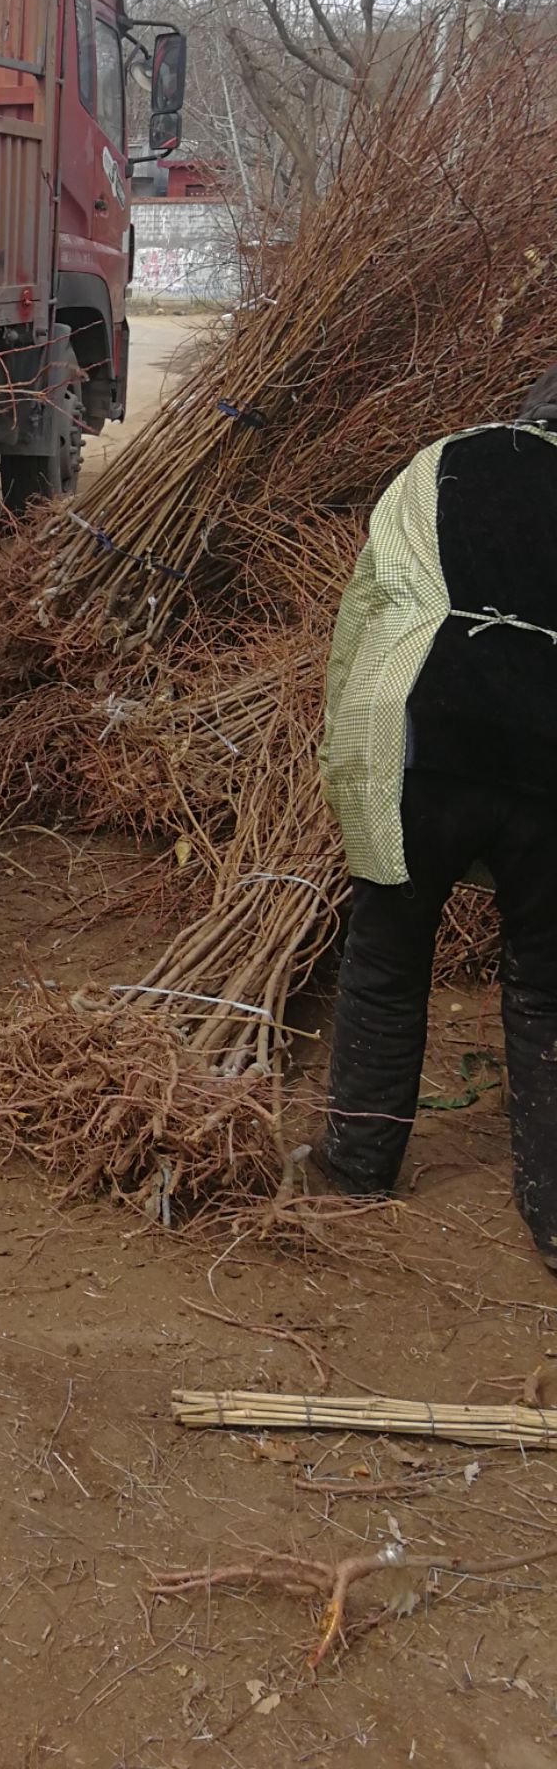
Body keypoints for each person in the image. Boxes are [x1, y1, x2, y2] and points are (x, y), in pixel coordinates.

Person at [316, 366, 557, 1270]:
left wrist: (346, 756)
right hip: (549, 771)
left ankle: (359, 1164)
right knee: (545, 988)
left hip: (425, 747)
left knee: (388, 955)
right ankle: (552, 1212)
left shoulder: (445, 460)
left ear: (528, 413)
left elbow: (372, 609)